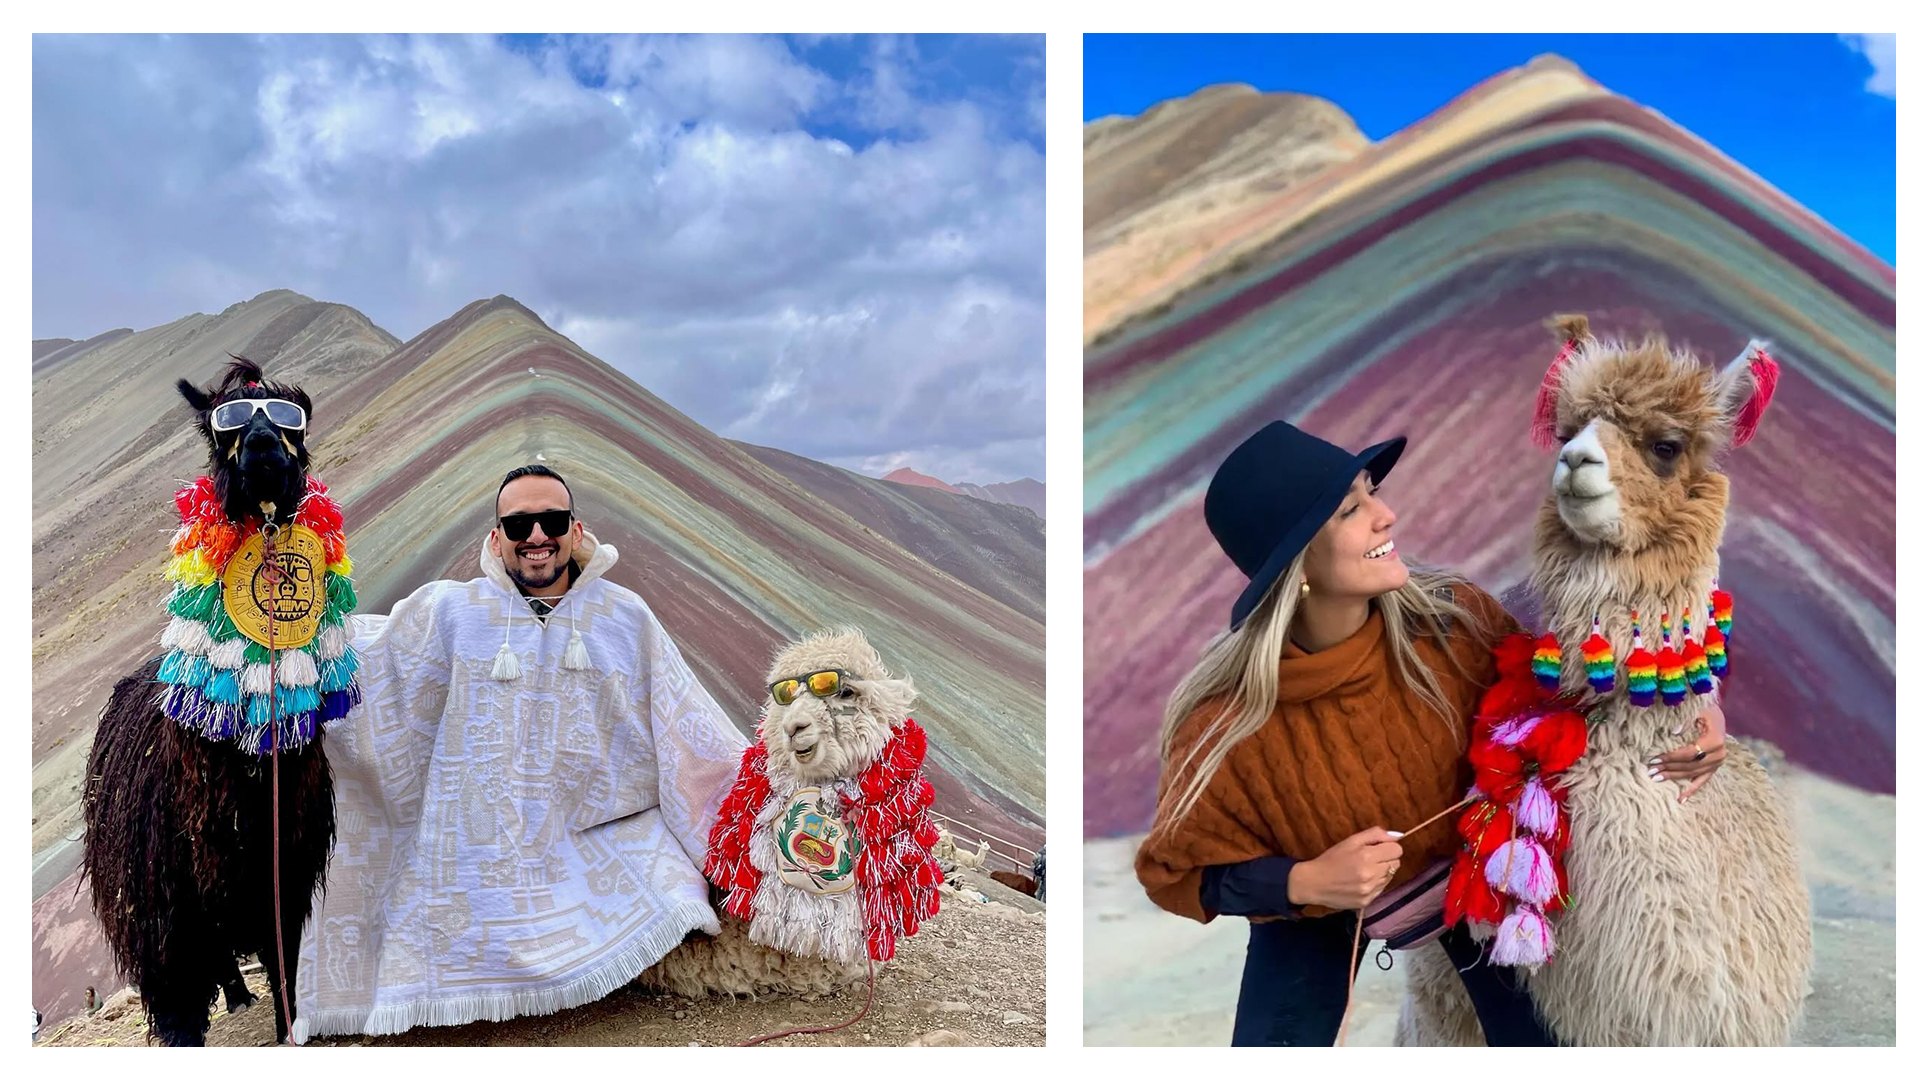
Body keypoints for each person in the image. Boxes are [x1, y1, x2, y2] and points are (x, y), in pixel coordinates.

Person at [1134, 421, 1726, 1047]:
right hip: (1321, 909)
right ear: (1296, 561)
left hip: (1473, 872)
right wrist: (1303, 882)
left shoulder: (1454, 623)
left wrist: (1698, 708)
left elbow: (1570, 696)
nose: (1386, 516)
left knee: (1545, 1043)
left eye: (1372, 491)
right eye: (1350, 510)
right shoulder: (1226, 726)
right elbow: (1176, 873)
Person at [292, 464, 748, 1042]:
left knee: (671, 892)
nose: (536, 535)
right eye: (518, 524)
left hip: (596, 834)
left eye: (551, 520)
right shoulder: (449, 613)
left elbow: (689, 727)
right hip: (470, 850)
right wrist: (283, 631)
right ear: (496, 538)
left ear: (575, 530)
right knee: (419, 917)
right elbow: (370, 656)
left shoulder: (625, 617)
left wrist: (762, 809)